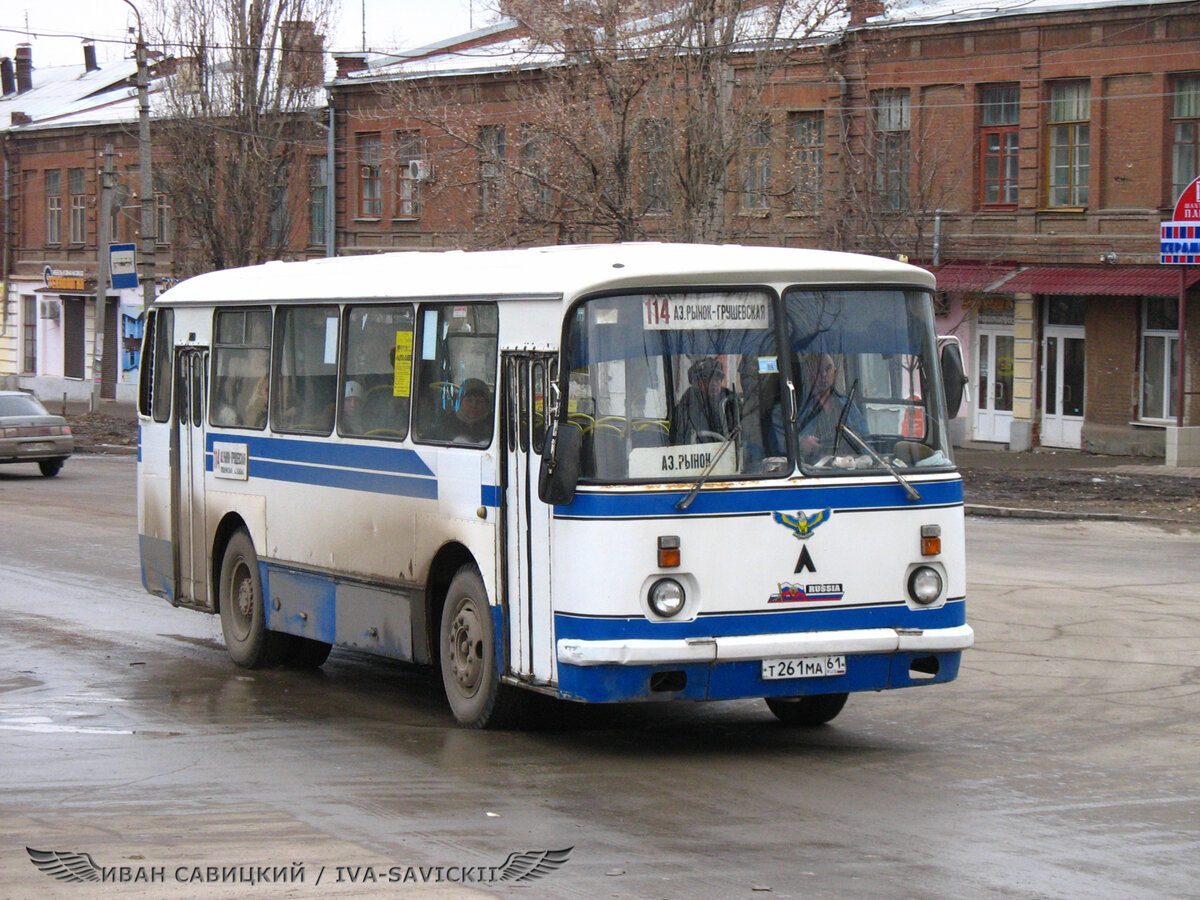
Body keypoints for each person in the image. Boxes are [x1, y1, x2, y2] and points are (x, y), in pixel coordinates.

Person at [793, 353, 867, 461]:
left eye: (828, 369)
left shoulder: (848, 406)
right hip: (810, 472)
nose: (823, 374)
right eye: (818, 370)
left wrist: (868, 459)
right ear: (807, 373)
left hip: (849, 469)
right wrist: (799, 444)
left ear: (834, 373)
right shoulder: (795, 407)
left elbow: (866, 442)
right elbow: (779, 445)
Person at [670, 357, 734, 445]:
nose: (714, 383)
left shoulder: (731, 404)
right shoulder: (685, 408)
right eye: (708, 379)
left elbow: (743, 437)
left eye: (717, 379)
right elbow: (679, 443)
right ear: (696, 384)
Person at [447, 377, 493, 443]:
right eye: (469, 400)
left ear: (487, 405)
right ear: (460, 402)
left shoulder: (493, 424)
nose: (474, 405)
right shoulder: (448, 423)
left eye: (480, 401)